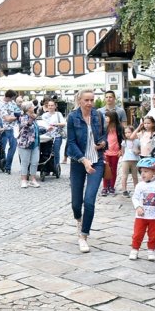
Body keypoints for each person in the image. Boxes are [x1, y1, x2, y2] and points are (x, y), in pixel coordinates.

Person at [66, 89, 107, 253]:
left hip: (97, 162)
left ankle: (83, 235)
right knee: (76, 203)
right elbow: (71, 142)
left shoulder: (98, 116)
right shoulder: (72, 117)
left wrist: (102, 143)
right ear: (80, 100)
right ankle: (79, 219)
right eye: (86, 100)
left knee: (89, 201)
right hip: (78, 162)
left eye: (92, 100)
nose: (90, 103)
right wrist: (83, 160)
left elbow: (104, 136)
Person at [16, 101, 41, 188]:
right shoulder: (23, 117)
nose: (34, 107)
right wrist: (31, 119)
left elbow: (37, 130)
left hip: (35, 144)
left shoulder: (34, 118)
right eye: (32, 106)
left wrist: (46, 130)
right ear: (28, 108)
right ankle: (24, 180)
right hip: (25, 143)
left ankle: (33, 179)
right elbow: (26, 125)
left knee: (35, 162)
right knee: (25, 162)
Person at [101, 110, 124, 196]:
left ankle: (112, 186)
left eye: (107, 117)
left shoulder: (119, 128)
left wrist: (121, 150)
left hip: (115, 152)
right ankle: (105, 187)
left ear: (112, 118)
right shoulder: (105, 127)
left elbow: (122, 140)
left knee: (113, 169)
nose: (106, 118)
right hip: (106, 152)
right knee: (106, 169)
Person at [0, 90, 21, 174]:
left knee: (16, 147)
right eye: (13, 98)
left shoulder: (12, 103)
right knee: (13, 147)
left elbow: (18, 111)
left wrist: (18, 115)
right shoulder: (1, 104)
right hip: (8, 128)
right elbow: (7, 119)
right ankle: (7, 166)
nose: (13, 100)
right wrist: (17, 117)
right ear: (8, 97)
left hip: (16, 127)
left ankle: (7, 165)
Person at [39, 99, 66, 168]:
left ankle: (56, 167)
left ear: (55, 106)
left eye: (52, 105)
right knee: (46, 152)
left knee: (56, 152)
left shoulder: (58, 114)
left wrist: (55, 124)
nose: (50, 107)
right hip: (46, 137)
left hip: (57, 136)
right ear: (47, 106)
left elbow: (63, 123)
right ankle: (47, 167)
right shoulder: (44, 115)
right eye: (49, 105)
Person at [120, 126, 140, 197]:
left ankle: (136, 190)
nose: (127, 134)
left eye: (129, 132)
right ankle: (124, 190)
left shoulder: (137, 141)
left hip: (135, 160)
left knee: (135, 176)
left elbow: (140, 150)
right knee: (124, 175)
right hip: (126, 160)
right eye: (125, 133)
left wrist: (138, 152)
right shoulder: (124, 141)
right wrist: (123, 157)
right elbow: (122, 151)